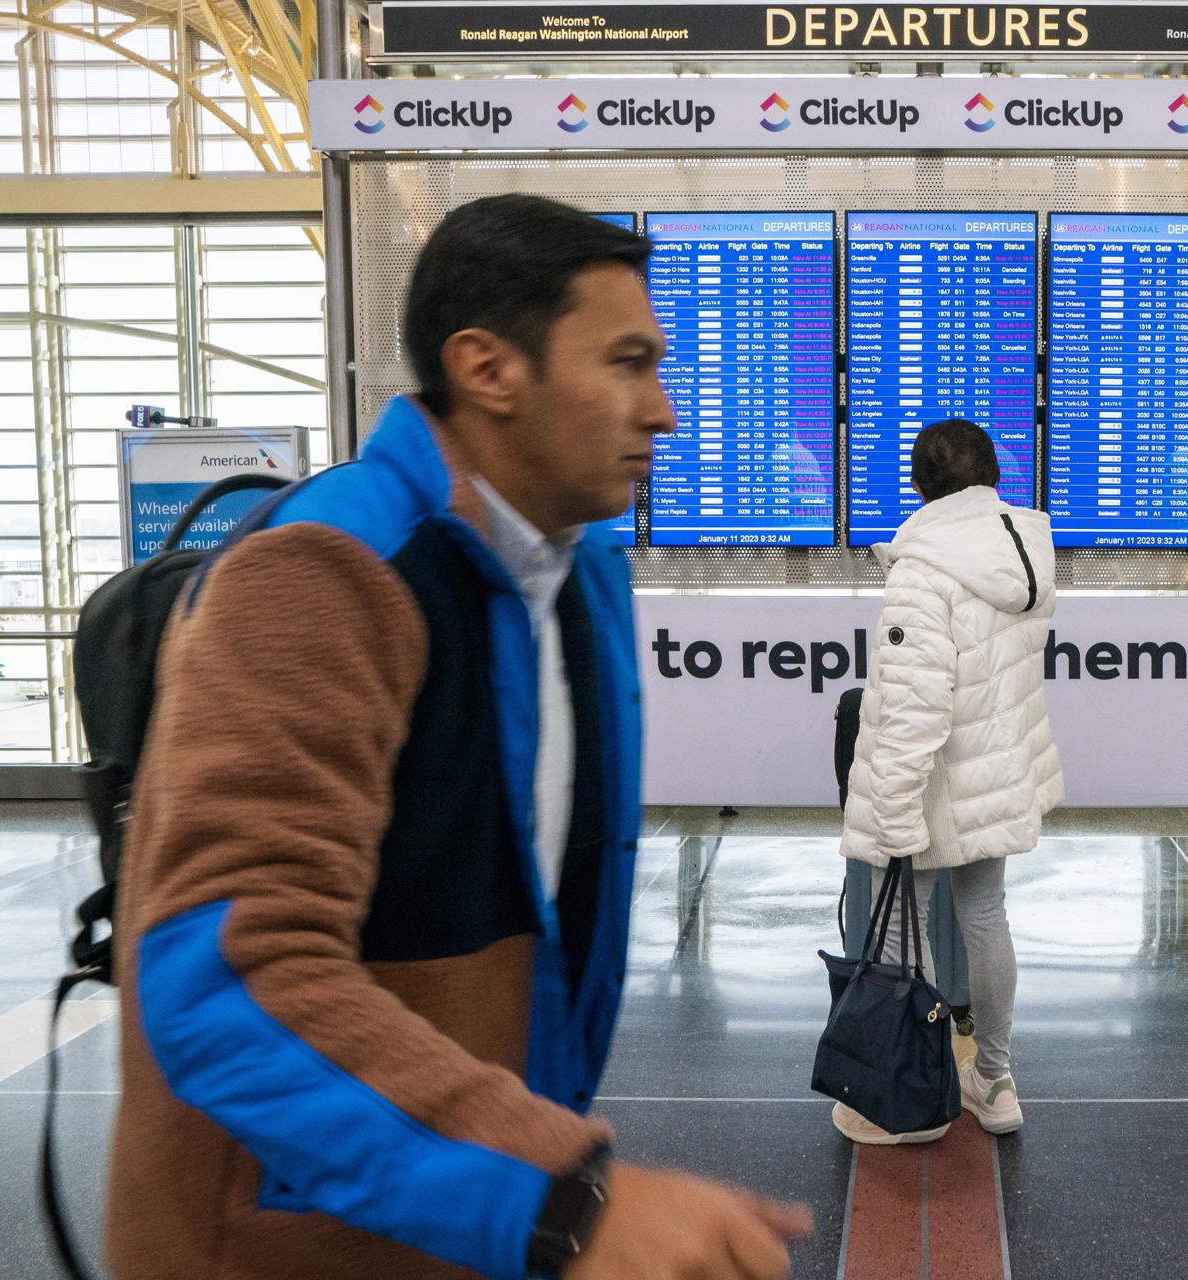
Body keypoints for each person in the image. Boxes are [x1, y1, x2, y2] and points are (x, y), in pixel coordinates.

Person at [105, 194, 810, 1280]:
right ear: (488, 368)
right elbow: (229, 973)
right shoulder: (327, 572)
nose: (663, 409)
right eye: (627, 362)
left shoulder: (576, 578)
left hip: (457, 1223)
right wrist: (558, 1194)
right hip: (290, 1249)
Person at [835, 419, 1064, 1145]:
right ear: (994, 474)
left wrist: (893, 808)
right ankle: (993, 1082)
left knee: (906, 923)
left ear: (919, 485)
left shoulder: (923, 569)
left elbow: (912, 705)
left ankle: (920, 1091)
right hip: (995, 773)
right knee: (987, 914)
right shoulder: (1025, 548)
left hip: (935, 778)